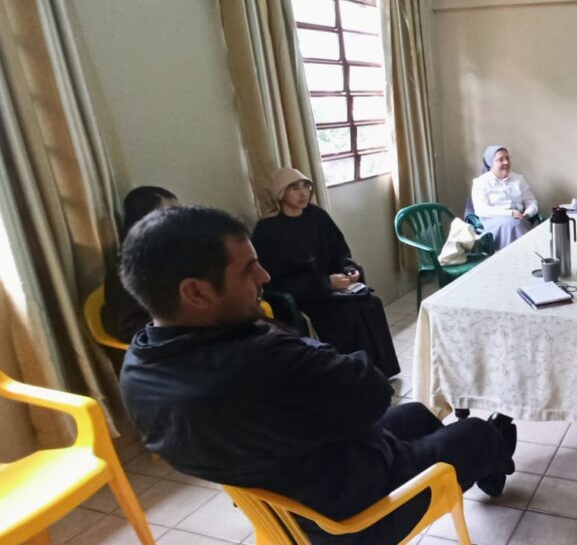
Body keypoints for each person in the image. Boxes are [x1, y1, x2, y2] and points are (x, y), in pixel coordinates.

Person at [118, 206, 518, 545]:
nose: (265, 278)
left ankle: (491, 460)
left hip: (293, 497)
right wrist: (272, 335)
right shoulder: (265, 362)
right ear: (196, 293)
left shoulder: (139, 369)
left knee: (417, 413)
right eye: (249, 270)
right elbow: (373, 388)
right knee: (477, 433)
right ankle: (495, 453)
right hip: (352, 516)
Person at [251, 168, 400, 377]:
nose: (303, 193)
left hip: (333, 289)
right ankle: (353, 375)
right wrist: (325, 283)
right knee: (348, 313)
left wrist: (349, 271)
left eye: (306, 187)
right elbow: (275, 279)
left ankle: (380, 371)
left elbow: (340, 251)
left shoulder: (317, 216)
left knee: (370, 302)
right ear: (280, 193)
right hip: (306, 297)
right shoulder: (267, 230)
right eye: (295, 188)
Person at [102, 186, 179, 343]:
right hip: (149, 335)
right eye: (169, 213)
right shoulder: (132, 263)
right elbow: (131, 327)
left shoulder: (162, 250)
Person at [470, 145, 539, 249]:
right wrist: (509, 213)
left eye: (507, 158)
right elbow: (481, 210)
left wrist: (527, 214)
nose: (506, 162)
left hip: (520, 220)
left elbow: (531, 201)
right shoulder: (481, 182)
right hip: (493, 222)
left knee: (515, 223)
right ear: (490, 163)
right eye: (500, 160)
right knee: (511, 223)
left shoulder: (518, 179)